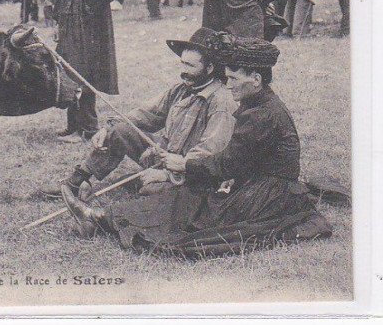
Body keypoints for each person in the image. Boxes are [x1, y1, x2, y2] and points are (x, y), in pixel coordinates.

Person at [61, 36, 333, 257]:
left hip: (266, 192)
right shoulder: (257, 105)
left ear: (256, 80)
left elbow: (224, 161)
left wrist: (180, 168)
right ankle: (95, 209)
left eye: (235, 79)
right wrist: (109, 129)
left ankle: (98, 218)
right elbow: (233, 161)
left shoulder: (253, 111)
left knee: (190, 208)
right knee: (187, 202)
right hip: (246, 182)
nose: (230, 85)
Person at [43, 28, 235, 198]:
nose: (183, 71)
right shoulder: (181, 89)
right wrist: (109, 129)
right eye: (182, 64)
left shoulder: (221, 101)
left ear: (209, 68)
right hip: (166, 159)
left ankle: (146, 185)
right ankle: (75, 183)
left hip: (193, 173)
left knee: (148, 190)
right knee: (121, 130)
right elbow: (145, 115)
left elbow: (209, 153)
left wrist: (168, 174)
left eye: (190, 66)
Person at [53, 0, 122, 142]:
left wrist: (87, 4)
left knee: (84, 79)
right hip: (70, 32)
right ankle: (73, 125)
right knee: (71, 77)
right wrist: (59, 24)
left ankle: (88, 129)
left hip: (83, 35)